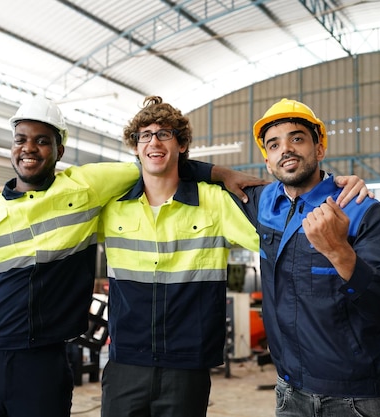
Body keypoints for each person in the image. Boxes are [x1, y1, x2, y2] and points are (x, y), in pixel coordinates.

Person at [0, 95, 267, 417]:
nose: (29, 148)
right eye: (21, 140)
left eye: (42, 141)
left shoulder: (87, 189)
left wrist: (219, 173)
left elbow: (156, 165)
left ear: (59, 150)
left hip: (45, 363)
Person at [240, 98, 380, 416]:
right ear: (267, 161)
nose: (286, 149)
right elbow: (183, 172)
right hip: (289, 394)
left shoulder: (361, 209)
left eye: (297, 138)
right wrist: (220, 172)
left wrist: (339, 252)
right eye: (274, 144)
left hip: (357, 400)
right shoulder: (263, 204)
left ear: (319, 149)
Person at [97, 96, 260, 416]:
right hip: (125, 364)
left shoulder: (214, 201)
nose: (153, 141)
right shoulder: (111, 207)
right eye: (144, 134)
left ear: (182, 144)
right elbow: (55, 200)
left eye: (164, 133)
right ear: (135, 147)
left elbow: (275, 235)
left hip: (187, 368)